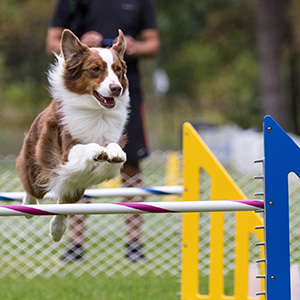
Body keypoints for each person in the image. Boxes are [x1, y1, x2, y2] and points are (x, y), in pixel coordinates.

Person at [46, 0, 160, 262]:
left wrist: (135, 46)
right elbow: (53, 41)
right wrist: (84, 47)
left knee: (131, 164)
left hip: (123, 93)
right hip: (84, 95)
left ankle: (134, 244)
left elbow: (153, 42)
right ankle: (75, 244)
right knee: (80, 163)